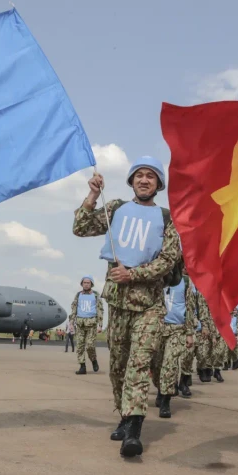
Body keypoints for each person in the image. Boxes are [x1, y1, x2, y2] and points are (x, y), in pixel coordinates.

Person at [72, 156, 181, 458]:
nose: (144, 180)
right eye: (139, 175)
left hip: (149, 306)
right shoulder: (116, 208)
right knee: (118, 366)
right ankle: (123, 414)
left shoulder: (167, 218)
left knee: (139, 365)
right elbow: (80, 227)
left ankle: (134, 429)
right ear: (132, 180)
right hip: (118, 302)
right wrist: (93, 194)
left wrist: (133, 274)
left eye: (151, 176)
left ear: (159, 184)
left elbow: (168, 260)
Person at [152, 257, 195, 417]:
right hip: (158, 328)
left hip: (177, 328)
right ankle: (160, 389)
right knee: (156, 365)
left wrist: (189, 333)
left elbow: (190, 308)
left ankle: (166, 400)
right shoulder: (157, 278)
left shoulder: (186, 282)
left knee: (170, 364)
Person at [69, 275, 104, 374]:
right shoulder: (78, 295)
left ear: (91, 284)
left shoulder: (96, 295)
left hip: (91, 324)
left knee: (89, 346)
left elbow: (100, 310)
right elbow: (74, 309)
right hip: (80, 324)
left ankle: (93, 360)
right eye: (84, 282)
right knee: (80, 346)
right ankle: (82, 366)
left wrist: (100, 325)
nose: (86, 284)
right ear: (82, 284)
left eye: (88, 282)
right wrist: (71, 322)